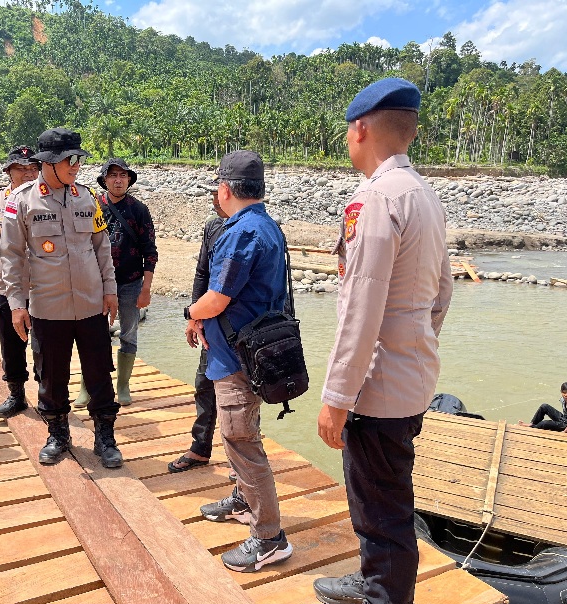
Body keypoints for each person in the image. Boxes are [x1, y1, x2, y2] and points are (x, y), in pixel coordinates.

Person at [313, 78, 453, 604]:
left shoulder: (374, 200)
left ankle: (383, 594)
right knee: (387, 495)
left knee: (382, 509)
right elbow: (442, 293)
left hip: (375, 390)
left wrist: (336, 398)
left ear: (361, 128)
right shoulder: (426, 196)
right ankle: (375, 578)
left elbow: (360, 310)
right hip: (413, 378)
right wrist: (415, 345)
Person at [184, 150, 293, 573]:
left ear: (225, 189)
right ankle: (244, 501)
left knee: (242, 441)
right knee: (241, 435)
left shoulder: (240, 232)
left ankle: (269, 537)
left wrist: (192, 313)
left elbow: (217, 298)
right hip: (249, 352)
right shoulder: (265, 225)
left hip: (236, 359)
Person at [0, 127, 122, 469]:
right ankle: (57, 433)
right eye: (69, 159)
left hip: (91, 305)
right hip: (47, 308)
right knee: (51, 374)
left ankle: (105, 437)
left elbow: (102, 248)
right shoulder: (21, 201)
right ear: (48, 164)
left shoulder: (88, 198)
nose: (76, 165)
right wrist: (16, 305)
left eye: (78, 159)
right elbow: (11, 256)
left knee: (99, 372)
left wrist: (110, 290)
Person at [73, 158, 157, 407]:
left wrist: (146, 289)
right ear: (104, 180)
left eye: (123, 175)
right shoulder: (93, 205)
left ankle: (122, 385)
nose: (118, 180)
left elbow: (150, 251)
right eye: (113, 176)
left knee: (129, 334)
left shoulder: (139, 210)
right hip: (96, 283)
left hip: (131, 283)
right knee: (92, 336)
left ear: (129, 180)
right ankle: (86, 386)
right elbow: (81, 243)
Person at [0, 146, 40, 419]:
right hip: (7, 287)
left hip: (43, 288)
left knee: (45, 345)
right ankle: (16, 395)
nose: (27, 174)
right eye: (21, 169)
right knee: (10, 345)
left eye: (32, 169)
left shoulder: (47, 201)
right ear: (8, 172)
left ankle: (49, 394)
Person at [168, 188, 228, 472]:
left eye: (219, 194)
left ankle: (241, 462)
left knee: (241, 396)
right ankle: (200, 448)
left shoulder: (251, 230)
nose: (214, 200)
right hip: (210, 324)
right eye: (213, 195)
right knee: (204, 385)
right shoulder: (212, 227)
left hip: (241, 329)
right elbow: (202, 273)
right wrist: (194, 317)